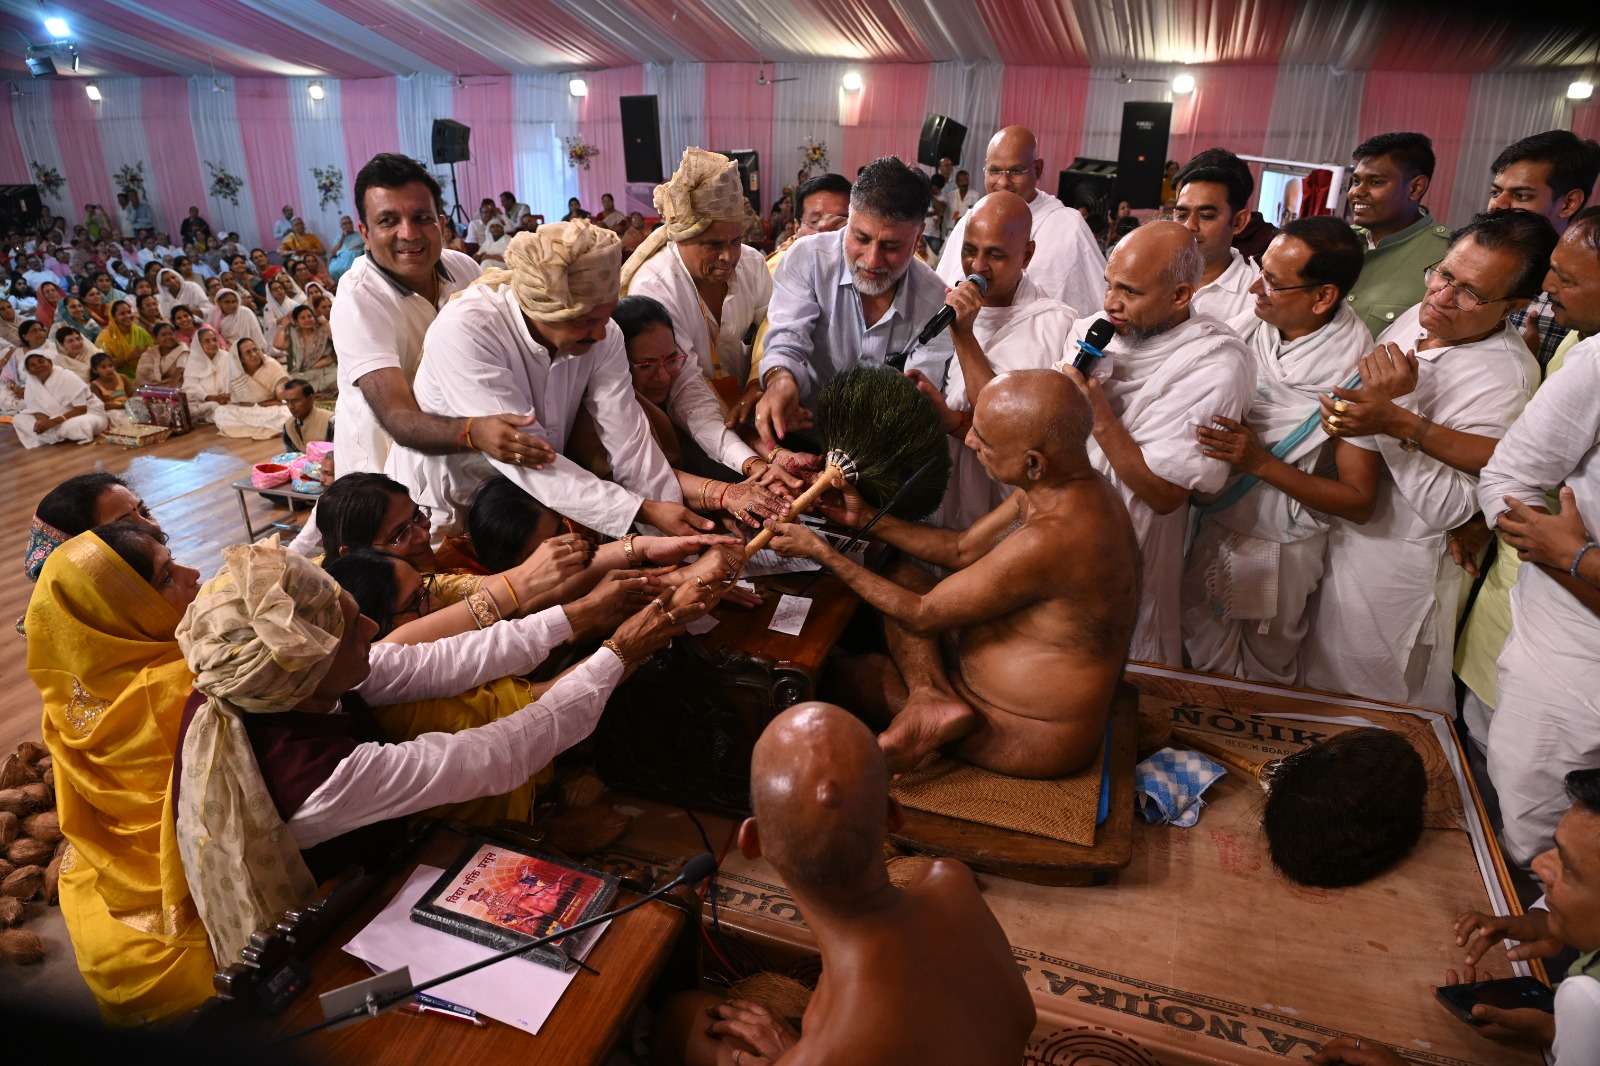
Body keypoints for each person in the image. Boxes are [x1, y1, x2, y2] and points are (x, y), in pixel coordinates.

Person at [170, 541, 715, 964]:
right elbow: (499, 753)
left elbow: (443, 660)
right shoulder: (312, 777)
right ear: (307, 670)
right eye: (353, 627)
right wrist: (622, 649)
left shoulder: (283, 682)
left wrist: (581, 616)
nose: (372, 629)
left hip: (381, 867)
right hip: (345, 927)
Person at [768, 371, 1138, 777]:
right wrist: (866, 518)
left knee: (841, 676)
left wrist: (820, 550)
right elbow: (959, 549)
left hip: (1025, 730)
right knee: (901, 572)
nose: (971, 441)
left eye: (985, 440)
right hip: (982, 673)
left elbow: (922, 613)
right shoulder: (1065, 486)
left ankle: (932, 699)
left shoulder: (1054, 537)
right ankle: (932, 697)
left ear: (1033, 463)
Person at [664, 703, 1034, 1066]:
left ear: (752, 842)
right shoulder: (951, 881)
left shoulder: (825, 1054)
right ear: (893, 816)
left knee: (683, 1021)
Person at [1302, 210, 1555, 712]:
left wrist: (1396, 413)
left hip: (1401, 576)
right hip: (1346, 545)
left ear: (1515, 306)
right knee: (1316, 700)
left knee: (1376, 720)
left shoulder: (1505, 379)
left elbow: (1452, 510)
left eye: (1471, 293)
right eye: (1443, 274)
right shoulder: (1422, 317)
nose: (1441, 297)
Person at [386, 222, 702, 538]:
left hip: (531, 509)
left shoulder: (604, 334)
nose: (600, 334)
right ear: (543, 309)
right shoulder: (469, 329)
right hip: (445, 507)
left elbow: (630, 444)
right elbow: (529, 457)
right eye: (586, 321)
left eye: (606, 317)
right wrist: (644, 511)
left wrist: (676, 535)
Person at [26, 522, 215, 1023]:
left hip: (116, 872)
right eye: (166, 577)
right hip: (200, 880)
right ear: (123, 611)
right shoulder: (189, 683)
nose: (192, 574)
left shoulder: (63, 698)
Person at [1181, 218, 1376, 683]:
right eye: (1260, 272)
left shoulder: (1355, 375)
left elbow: (1359, 500)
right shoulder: (1248, 330)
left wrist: (1259, 462)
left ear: (1322, 297)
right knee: (1196, 654)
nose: (1254, 289)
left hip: (1282, 543)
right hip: (1215, 518)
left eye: (1272, 282)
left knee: (1262, 670)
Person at [1057, 222, 1253, 665]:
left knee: (1122, 664)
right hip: (1059, 529)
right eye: (1109, 284)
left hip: (1135, 543)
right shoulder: (1093, 330)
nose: (1110, 303)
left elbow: (1164, 494)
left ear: (1180, 295)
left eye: (1129, 291)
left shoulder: (1215, 363)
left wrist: (1099, 415)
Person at [1315, 768, 1600, 1066]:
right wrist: (1555, 1028)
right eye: (1556, 848)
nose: (1539, 864)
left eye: (1570, 868)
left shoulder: (1588, 1000)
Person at [1475, 208, 1600, 865]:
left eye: (1567, 279)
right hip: (1574, 645)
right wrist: (1563, 559)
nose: (1548, 290)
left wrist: (1583, 559)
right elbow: (1506, 480)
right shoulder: (1595, 362)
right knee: (1538, 835)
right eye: (1552, 272)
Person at [330, 153, 544, 490]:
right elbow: (398, 418)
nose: (408, 233)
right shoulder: (357, 298)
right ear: (365, 233)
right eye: (388, 221)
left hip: (460, 454)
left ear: (441, 224)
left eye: (421, 218)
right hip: (381, 470)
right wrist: (474, 432)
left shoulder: (464, 268)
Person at [909, 192, 1081, 530]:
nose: (977, 267)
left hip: (1002, 505)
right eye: (969, 250)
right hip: (940, 488)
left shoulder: (1053, 323)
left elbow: (1009, 426)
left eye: (995, 254)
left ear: (1026, 255)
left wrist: (964, 336)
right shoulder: (941, 306)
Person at [756, 157, 953, 451]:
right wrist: (781, 379)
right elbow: (788, 338)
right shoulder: (808, 260)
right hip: (800, 437)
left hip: (881, 450)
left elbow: (916, 394)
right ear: (849, 218)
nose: (872, 260)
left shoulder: (935, 301)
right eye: (861, 238)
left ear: (917, 237)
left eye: (891, 246)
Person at [606, 296, 793, 527]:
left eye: (671, 359)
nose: (663, 376)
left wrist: (766, 463)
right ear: (619, 363)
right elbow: (645, 476)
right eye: (646, 366)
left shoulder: (683, 383)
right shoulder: (612, 409)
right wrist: (725, 497)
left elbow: (709, 425)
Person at [623, 148, 773, 417]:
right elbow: (686, 387)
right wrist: (737, 444)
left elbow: (772, 328)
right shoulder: (654, 286)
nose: (728, 257)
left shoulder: (752, 263)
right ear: (681, 239)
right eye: (714, 244)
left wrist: (757, 381)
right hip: (687, 419)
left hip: (751, 405)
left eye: (735, 241)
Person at [936, 127, 1105, 315]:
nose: (1003, 182)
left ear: (1038, 169)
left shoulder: (1069, 227)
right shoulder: (970, 220)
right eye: (995, 171)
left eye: (1015, 171)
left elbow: (1090, 306)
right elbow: (943, 290)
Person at [1486, 130, 1600, 370]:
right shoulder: (1474, 263)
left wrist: (1522, 367)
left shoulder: (1582, 303)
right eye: (1495, 192)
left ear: (1568, 203)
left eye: (1521, 195)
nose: (1497, 205)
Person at [1343, 132, 1453, 337]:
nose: (1356, 192)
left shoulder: (1448, 256)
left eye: (1375, 182)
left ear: (1415, 188)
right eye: (1356, 181)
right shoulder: (1336, 241)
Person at [1173, 148, 1263, 323]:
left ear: (1238, 222)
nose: (1189, 226)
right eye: (1181, 215)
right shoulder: (1150, 273)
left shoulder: (1255, 296)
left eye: (1206, 215)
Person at [14, 351, 109, 448]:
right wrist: (43, 423)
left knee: (81, 424)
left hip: (86, 413)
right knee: (19, 419)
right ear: (29, 371)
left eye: (41, 361)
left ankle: (54, 434)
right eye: (33, 365)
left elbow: (81, 409)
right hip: (54, 419)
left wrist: (52, 423)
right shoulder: (31, 383)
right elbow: (36, 409)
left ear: (50, 362)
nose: (38, 366)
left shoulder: (67, 376)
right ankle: (59, 434)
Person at [212, 337, 288, 440]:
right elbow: (240, 402)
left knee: (286, 414)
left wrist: (259, 404)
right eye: (248, 352)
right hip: (251, 410)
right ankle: (263, 427)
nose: (254, 354)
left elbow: (283, 401)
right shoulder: (237, 372)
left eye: (255, 350)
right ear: (241, 359)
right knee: (220, 412)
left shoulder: (271, 365)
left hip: (272, 408)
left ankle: (263, 427)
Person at [273, 303, 336, 394]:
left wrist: (324, 322)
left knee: (336, 376)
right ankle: (313, 389)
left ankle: (309, 390)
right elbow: (278, 345)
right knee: (290, 381)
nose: (307, 320)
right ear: (296, 321)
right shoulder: (293, 336)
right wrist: (283, 326)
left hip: (325, 371)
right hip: (303, 374)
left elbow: (336, 340)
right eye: (302, 318)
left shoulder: (322, 331)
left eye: (310, 316)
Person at [279, 377, 332, 452]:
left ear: (311, 398)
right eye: (287, 401)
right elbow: (290, 455)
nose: (291, 406)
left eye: (295, 401)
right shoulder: (288, 426)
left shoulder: (329, 421)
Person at [134, 321, 185, 389]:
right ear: (156, 338)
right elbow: (142, 379)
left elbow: (184, 376)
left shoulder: (183, 351)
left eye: (171, 334)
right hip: (150, 390)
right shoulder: (148, 355)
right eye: (163, 335)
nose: (168, 337)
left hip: (177, 389)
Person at [327, 214, 364, 281]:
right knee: (332, 269)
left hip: (353, 258)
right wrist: (342, 237)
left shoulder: (359, 235)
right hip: (340, 259)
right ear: (341, 227)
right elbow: (333, 253)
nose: (348, 225)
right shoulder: (339, 238)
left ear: (352, 224)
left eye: (349, 222)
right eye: (344, 224)